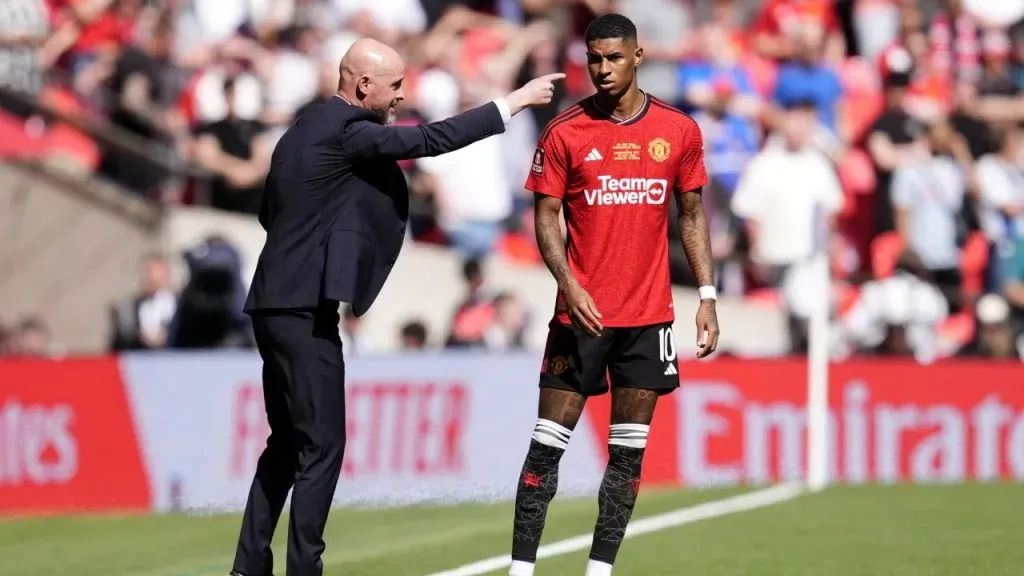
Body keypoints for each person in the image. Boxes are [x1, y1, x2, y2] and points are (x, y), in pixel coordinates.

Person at [231, 38, 563, 576]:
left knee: (288, 443)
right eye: (395, 85)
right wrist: (513, 102)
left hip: (274, 302)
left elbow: (275, 211)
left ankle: (249, 567)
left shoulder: (302, 129)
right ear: (363, 84)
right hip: (301, 309)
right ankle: (302, 569)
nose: (402, 95)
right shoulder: (348, 131)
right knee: (322, 445)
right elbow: (431, 139)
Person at [508, 14, 719, 576]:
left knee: (626, 461)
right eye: (594, 58)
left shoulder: (678, 131)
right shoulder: (565, 131)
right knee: (543, 455)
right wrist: (569, 283)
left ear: (638, 55)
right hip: (579, 317)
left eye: (613, 58)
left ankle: (599, 571)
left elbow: (692, 216)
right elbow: (546, 218)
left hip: (648, 319)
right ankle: (521, 570)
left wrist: (707, 294)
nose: (601, 69)